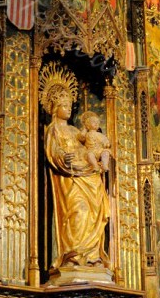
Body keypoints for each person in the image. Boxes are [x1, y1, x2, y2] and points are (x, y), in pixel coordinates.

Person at [43, 78, 111, 275]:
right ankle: (73, 256)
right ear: (55, 108)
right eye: (64, 106)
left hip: (88, 174)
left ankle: (92, 257)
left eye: (70, 106)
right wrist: (62, 157)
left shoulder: (75, 130)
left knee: (93, 213)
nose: (68, 109)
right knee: (78, 211)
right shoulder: (52, 129)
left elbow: (88, 146)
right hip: (69, 177)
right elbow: (52, 151)